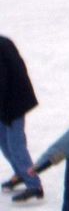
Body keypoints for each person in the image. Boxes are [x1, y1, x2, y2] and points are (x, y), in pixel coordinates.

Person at [0, 35, 42, 202]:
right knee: (4, 141)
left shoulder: (2, 45)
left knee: (15, 144)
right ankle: (21, 173)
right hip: (6, 104)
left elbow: (4, 81)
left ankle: (34, 185)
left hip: (13, 103)